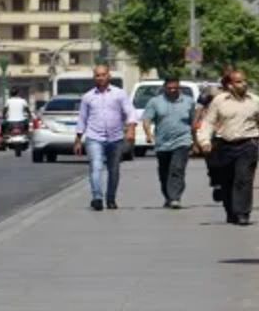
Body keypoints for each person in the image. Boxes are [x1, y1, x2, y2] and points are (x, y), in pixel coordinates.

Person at [197, 70, 259, 226]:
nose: (244, 84)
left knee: (244, 179)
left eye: (244, 81)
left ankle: (243, 213)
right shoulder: (219, 101)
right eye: (239, 82)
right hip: (224, 145)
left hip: (248, 144)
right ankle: (231, 211)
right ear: (230, 85)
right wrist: (205, 141)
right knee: (227, 181)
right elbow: (209, 122)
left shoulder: (255, 101)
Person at [73, 65, 136, 211]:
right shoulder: (88, 97)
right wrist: (78, 139)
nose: (100, 78)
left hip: (116, 138)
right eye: (97, 75)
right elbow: (82, 119)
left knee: (114, 170)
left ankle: (111, 198)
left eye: (103, 75)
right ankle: (97, 198)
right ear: (94, 77)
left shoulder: (119, 94)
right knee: (95, 167)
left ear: (109, 75)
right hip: (94, 137)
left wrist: (131, 129)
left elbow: (130, 112)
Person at [142, 77, 196, 209]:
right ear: (164, 88)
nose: (172, 90)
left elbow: (193, 122)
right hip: (162, 143)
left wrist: (195, 140)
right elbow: (147, 119)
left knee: (177, 168)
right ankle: (168, 196)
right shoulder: (155, 102)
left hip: (182, 140)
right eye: (169, 88)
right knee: (164, 171)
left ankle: (175, 197)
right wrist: (148, 134)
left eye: (175, 88)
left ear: (179, 88)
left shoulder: (188, 102)